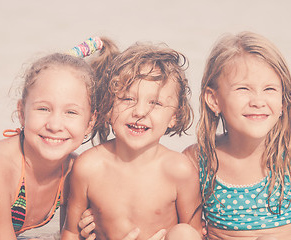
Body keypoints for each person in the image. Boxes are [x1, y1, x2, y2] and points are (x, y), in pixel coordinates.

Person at [181, 31, 291, 239]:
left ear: (283, 100)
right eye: (243, 88)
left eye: (270, 89)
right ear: (214, 100)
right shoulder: (198, 161)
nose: (258, 101)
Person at [61, 38, 204, 240]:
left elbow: (195, 232)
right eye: (127, 99)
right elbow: (70, 232)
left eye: (155, 103)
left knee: (184, 233)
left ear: (174, 116)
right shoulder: (89, 166)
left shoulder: (179, 170)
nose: (140, 111)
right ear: (109, 106)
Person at [0, 37, 102, 240]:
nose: (54, 125)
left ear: (90, 122)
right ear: (22, 112)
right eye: (43, 109)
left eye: (70, 112)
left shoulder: (73, 171)